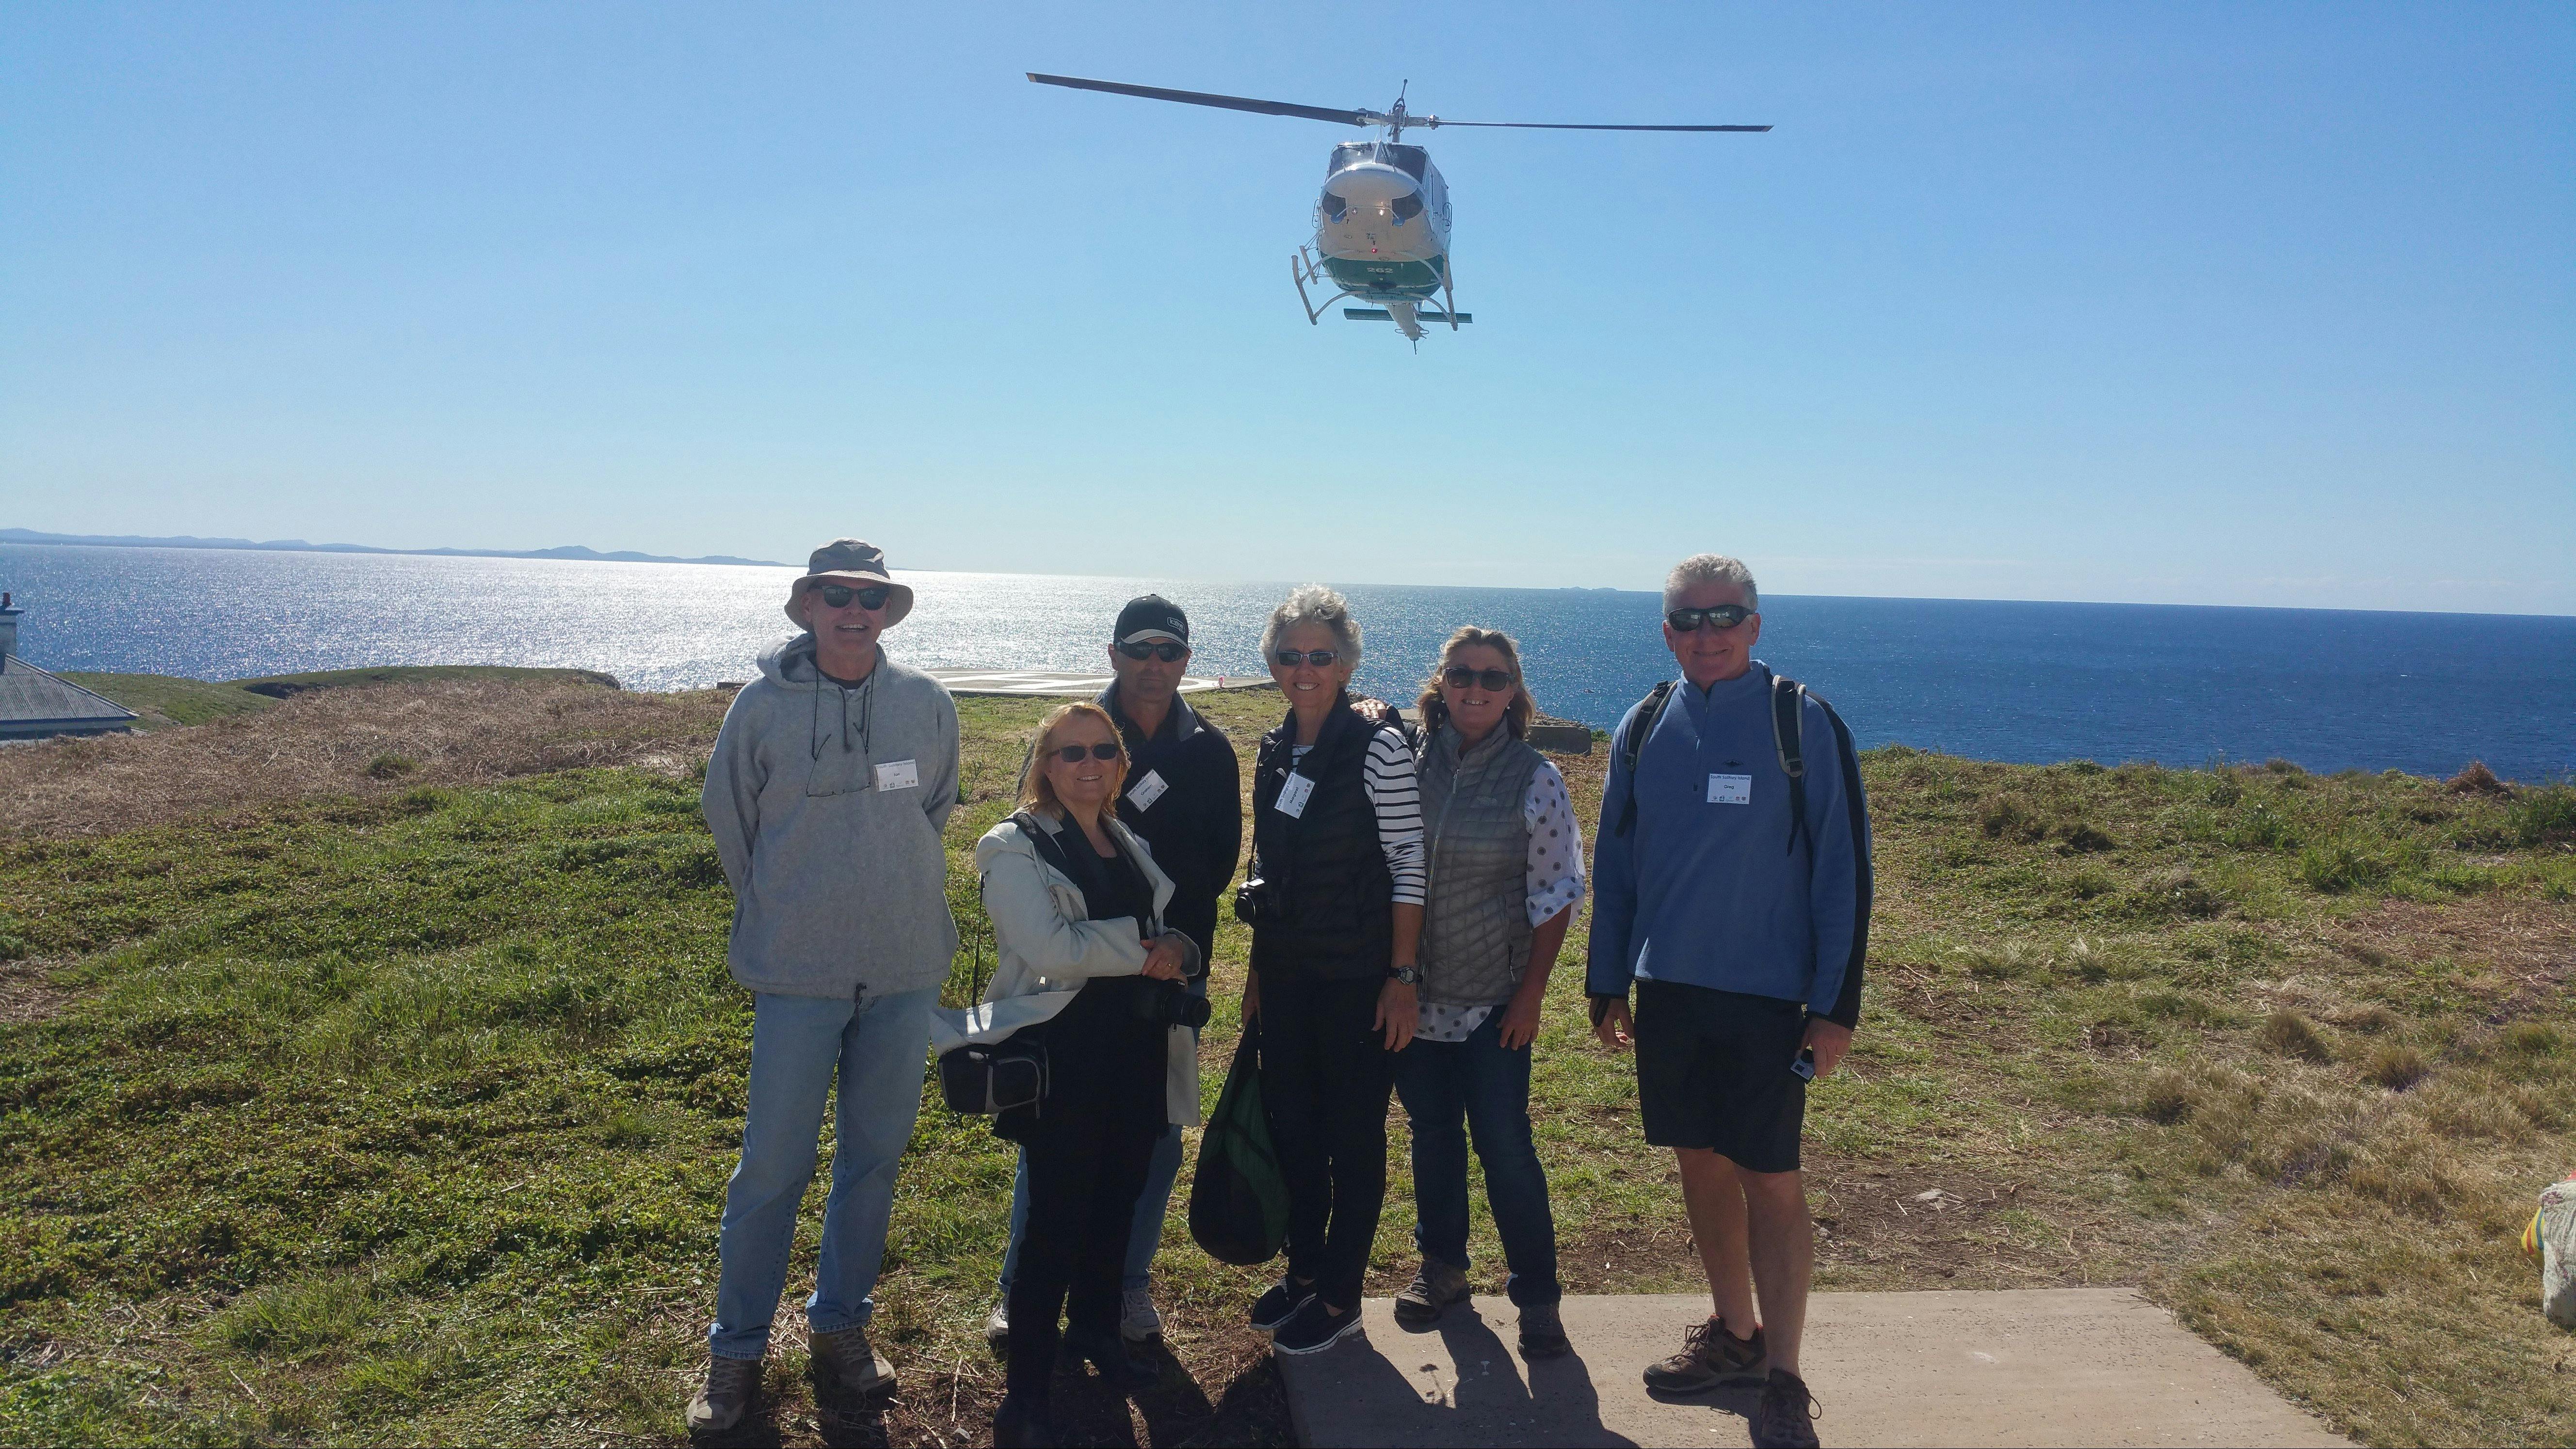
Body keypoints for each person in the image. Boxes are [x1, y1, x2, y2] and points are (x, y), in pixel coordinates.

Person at [1587, 554, 1870, 1449]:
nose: (1706, 634)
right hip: (1670, 991)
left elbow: (1843, 872)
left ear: (1755, 625)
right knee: (1700, 1165)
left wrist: (1836, 1007)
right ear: (1667, 631)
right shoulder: (1643, 725)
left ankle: (1783, 1377)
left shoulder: (1803, 721)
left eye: (1725, 617)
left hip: (1769, 1002)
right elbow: (1618, 864)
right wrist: (1606, 977)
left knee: (1772, 1179)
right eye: (1689, 619)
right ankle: (1736, 1336)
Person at [690, 539, 962, 1435]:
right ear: (808, 604)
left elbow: (933, 811)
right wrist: (787, 910)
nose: (856, 611)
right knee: (772, 1164)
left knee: (874, 1154)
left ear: (888, 611)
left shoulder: (927, 703)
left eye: (871, 598)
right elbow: (731, 822)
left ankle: (841, 1324)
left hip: (904, 966)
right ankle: (735, 1351)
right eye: (838, 595)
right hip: (796, 975)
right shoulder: (760, 708)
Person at [988, 595, 1241, 1349]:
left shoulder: (1211, 751)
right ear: (1114, 655)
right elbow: (1034, 843)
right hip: (1069, 983)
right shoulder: (1076, 732)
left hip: (1168, 974)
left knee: (1154, 1139)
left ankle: (1125, 1285)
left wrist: (1180, 950)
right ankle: (1021, 1289)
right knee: (1055, 1138)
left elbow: (1218, 866)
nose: (1154, 664)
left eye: (1170, 650)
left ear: (1187, 660)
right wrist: (1129, 939)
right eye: (1140, 648)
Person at [972, 702, 1205, 1447]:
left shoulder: (1126, 838)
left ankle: (1097, 1332)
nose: (1088, 763)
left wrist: (1178, 947)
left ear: (1120, 764)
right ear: (1044, 763)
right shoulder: (1011, 846)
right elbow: (1047, 947)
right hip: (1063, 1060)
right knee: (1055, 1222)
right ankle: (1028, 1392)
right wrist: (1148, 949)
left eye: (1103, 750)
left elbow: (1168, 927)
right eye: (1070, 752)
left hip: (1136, 1053)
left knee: (1119, 1202)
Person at [1240, 585, 1425, 1356]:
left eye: (1321, 655)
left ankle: (1343, 1292)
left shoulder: (1378, 744)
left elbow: (1410, 861)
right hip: (1286, 972)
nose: (1305, 668)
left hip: (1357, 976)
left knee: (1351, 1136)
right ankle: (1307, 1269)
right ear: (1274, 663)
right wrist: (1256, 974)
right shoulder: (1276, 745)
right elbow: (1268, 866)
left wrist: (1403, 976)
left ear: (1346, 662)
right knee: (1294, 1127)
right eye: (1291, 655)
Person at [1392, 627, 1583, 1359]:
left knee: (1505, 1145)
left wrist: (1531, 994)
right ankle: (1443, 1267)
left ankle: (1537, 1295)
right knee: (1432, 1135)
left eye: (1493, 677)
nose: (1477, 687)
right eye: (1462, 674)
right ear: (1441, 682)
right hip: (1416, 993)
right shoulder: (1407, 758)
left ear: (1514, 690)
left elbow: (1558, 892)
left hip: (1495, 1001)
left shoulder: (1536, 777)